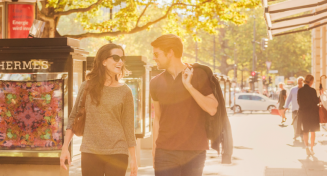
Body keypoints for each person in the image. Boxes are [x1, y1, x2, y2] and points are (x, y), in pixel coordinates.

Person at [60, 44, 138, 176]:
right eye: (116, 57)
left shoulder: (125, 91)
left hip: (118, 153)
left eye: (122, 58)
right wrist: (65, 147)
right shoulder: (87, 86)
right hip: (90, 151)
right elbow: (73, 117)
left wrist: (134, 159)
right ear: (104, 61)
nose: (120, 61)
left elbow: (128, 127)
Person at [150, 34, 219, 176]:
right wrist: (154, 148)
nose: (154, 58)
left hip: (194, 152)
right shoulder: (155, 82)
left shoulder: (198, 75)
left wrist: (189, 87)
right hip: (165, 152)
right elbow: (157, 118)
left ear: (170, 53)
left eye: (157, 54)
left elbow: (212, 108)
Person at [297, 74, 320, 156]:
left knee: (305, 131)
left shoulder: (300, 91)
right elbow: (316, 101)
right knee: (312, 131)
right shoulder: (313, 91)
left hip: (304, 113)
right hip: (313, 114)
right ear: (311, 81)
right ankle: (312, 148)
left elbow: (299, 102)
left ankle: (306, 146)